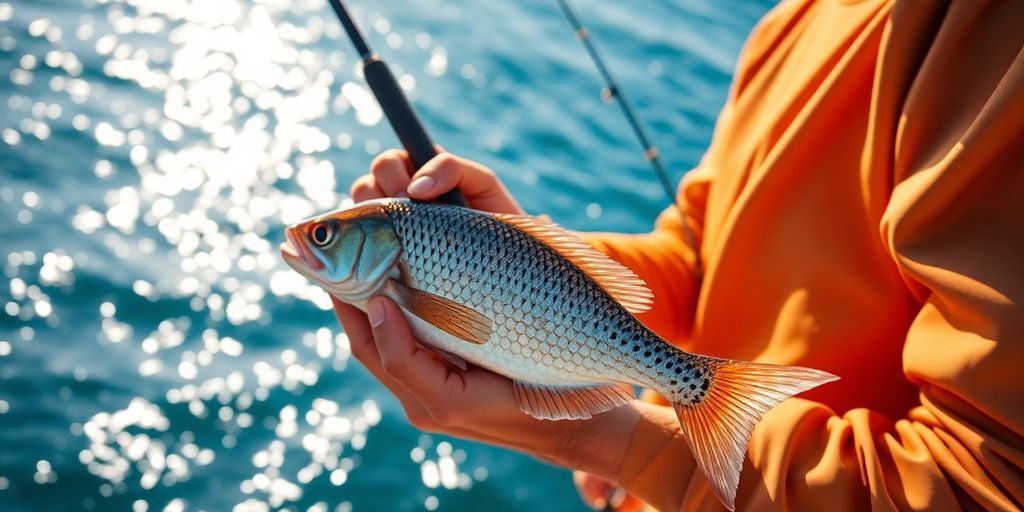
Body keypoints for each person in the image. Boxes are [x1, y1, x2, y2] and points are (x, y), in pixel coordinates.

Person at [332, 1, 1024, 510]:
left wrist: (631, 446)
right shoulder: (795, 22)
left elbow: (985, 484)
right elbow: (698, 250)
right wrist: (517, 264)